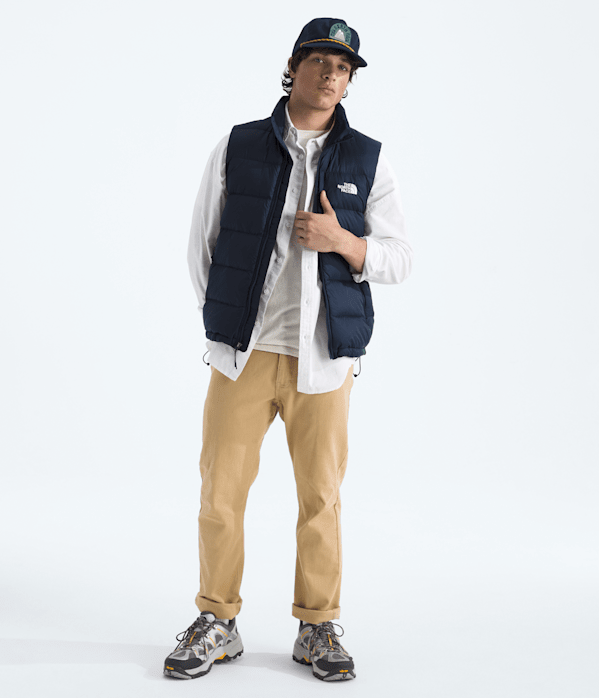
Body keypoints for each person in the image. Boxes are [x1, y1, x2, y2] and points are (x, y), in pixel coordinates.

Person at [163, 17, 413, 683]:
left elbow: (399, 258)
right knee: (220, 492)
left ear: (350, 82)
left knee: (321, 498)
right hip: (244, 357)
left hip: (324, 361)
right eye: (320, 62)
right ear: (295, 66)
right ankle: (217, 619)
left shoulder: (368, 159)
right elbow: (201, 246)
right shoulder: (239, 145)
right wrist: (224, 327)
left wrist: (344, 243)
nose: (331, 76)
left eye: (343, 68)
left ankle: (317, 626)